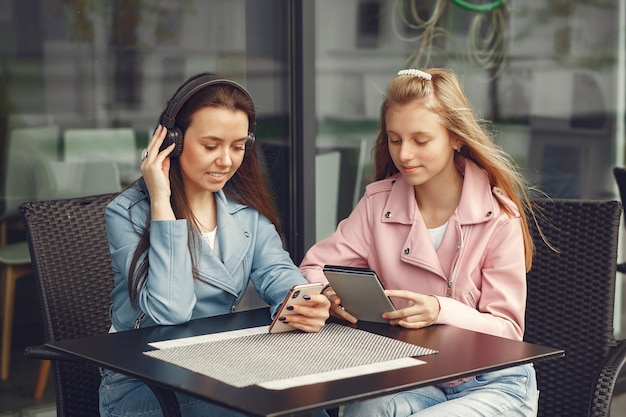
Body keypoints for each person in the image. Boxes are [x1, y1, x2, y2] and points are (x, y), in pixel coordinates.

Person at [299, 68, 539, 417]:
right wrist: (329, 295)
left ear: (456, 138)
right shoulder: (377, 203)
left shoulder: (498, 216)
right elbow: (314, 268)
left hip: (493, 383)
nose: (405, 154)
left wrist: (441, 310)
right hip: (411, 375)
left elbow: (508, 331)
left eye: (420, 141)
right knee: (363, 409)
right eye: (395, 140)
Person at [99, 72, 330, 417]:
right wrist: (162, 203)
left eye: (237, 147)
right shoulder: (127, 214)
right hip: (143, 382)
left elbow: (278, 272)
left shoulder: (244, 214)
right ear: (172, 141)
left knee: (308, 406)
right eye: (211, 146)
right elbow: (169, 311)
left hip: (218, 367)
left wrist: (297, 301)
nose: (226, 161)